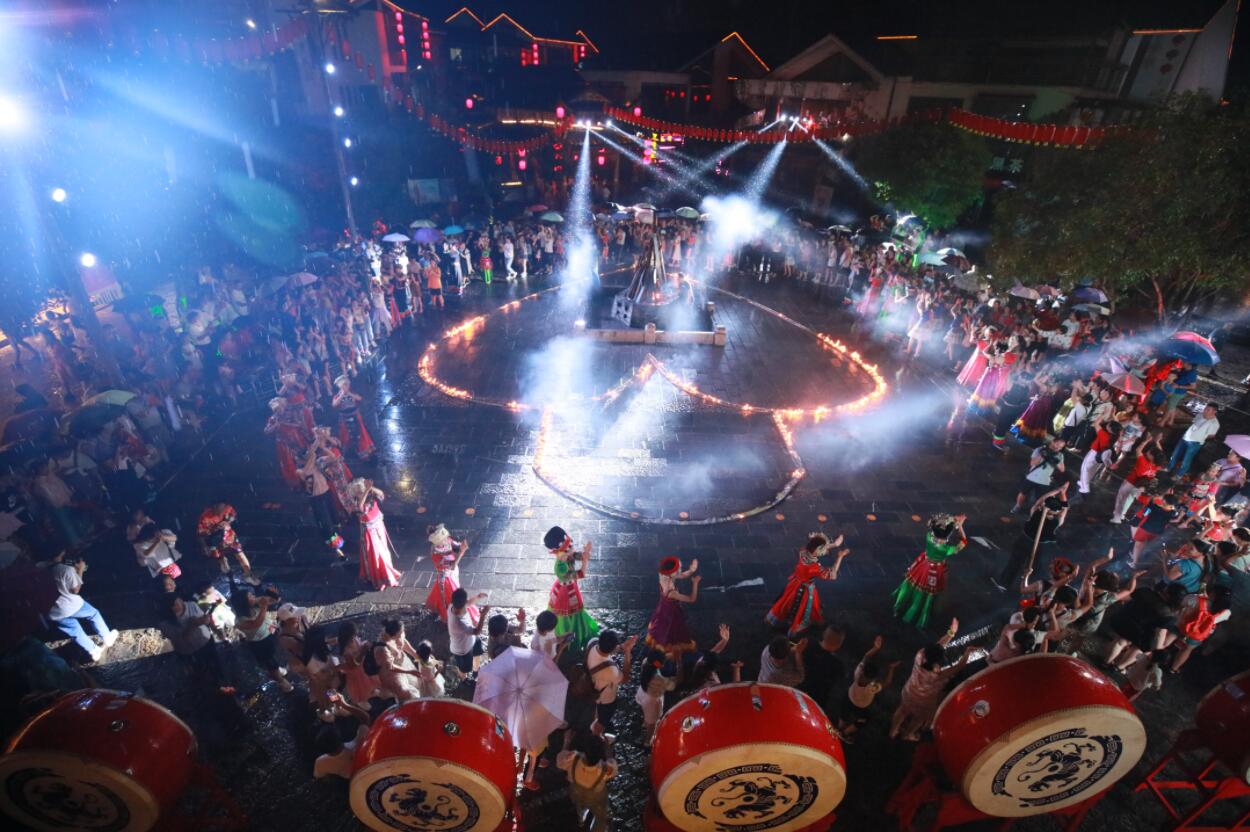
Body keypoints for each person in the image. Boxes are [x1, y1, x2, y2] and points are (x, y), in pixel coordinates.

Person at [890, 618, 973, 741]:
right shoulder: (936, 675)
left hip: (909, 692)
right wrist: (968, 652)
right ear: (937, 663)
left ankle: (893, 731)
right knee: (919, 719)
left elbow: (938, 645)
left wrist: (951, 633)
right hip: (923, 702)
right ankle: (908, 734)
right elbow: (959, 666)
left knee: (902, 709)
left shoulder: (920, 655)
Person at [766, 533, 851, 637]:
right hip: (805, 591)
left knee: (786, 602)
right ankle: (795, 628)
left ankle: (778, 619)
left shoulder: (803, 552)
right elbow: (832, 575)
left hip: (794, 584)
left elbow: (815, 549)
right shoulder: (814, 568)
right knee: (803, 609)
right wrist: (839, 557)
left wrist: (835, 544)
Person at [893, 514, 967, 628]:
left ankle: (899, 606)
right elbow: (964, 542)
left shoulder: (928, 537)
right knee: (926, 594)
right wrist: (960, 526)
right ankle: (918, 614)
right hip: (935, 571)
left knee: (911, 585)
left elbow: (932, 524)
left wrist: (951, 521)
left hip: (923, 564)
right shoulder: (946, 549)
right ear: (947, 536)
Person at [44, 552, 118, 663]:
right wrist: (80, 570)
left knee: (74, 630)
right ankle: (107, 637)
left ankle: (94, 651)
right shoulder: (65, 569)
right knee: (93, 614)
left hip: (52, 611)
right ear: (61, 552)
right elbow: (75, 589)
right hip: (70, 604)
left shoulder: (39, 568)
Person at [157, 593, 232, 693]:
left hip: (206, 640)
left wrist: (209, 624)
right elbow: (182, 640)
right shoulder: (164, 623)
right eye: (173, 605)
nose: (177, 606)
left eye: (177, 602)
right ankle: (210, 689)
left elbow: (205, 619)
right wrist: (192, 625)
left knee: (216, 662)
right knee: (201, 670)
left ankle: (224, 683)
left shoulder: (191, 605)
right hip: (190, 651)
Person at [543, 526, 600, 650]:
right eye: (568, 548)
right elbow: (580, 574)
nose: (572, 550)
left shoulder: (566, 556)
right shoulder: (560, 568)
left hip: (570, 588)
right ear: (559, 552)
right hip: (564, 594)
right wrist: (585, 560)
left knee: (575, 612)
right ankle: (568, 636)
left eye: (571, 546)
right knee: (567, 614)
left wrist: (585, 553)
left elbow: (576, 555)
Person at [837, 635, 899, 744]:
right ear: (873, 679)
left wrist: (876, 648)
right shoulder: (872, 687)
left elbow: (866, 657)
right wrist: (891, 668)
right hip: (861, 706)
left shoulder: (857, 673)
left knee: (844, 710)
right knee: (864, 719)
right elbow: (887, 682)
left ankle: (839, 728)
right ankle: (845, 733)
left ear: (862, 670)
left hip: (849, 697)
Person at [229, 586, 292, 693]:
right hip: (259, 644)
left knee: (273, 657)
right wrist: (264, 606)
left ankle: (277, 669)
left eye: (252, 594)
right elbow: (256, 623)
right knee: (270, 663)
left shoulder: (254, 604)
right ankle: (282, 682)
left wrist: (273, 594)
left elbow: (273, 600)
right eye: (250, 596)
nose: (253, 596)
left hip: (269, 635)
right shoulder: (240, 620)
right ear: (243, 603)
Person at [557, 729, 617, 832]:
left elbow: (560, 760)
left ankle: (581, 818)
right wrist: (608, 748)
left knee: (579, 805)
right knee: (600, 813)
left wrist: (567, 740)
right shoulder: (605, 768)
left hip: (577, 791)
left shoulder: (573, 757)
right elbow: (612, 766)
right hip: (597, 796)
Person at [347, 478, 402, 590]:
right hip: (370, 532)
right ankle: (379, 576)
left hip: (378, 526)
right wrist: (367, 490)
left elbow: (382, 495)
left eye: (361, 491)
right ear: (355, 493)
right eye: (358, 492)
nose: (361, 493)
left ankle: (385, 573)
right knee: (376, 554)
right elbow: (361, 508)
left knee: (384, 551)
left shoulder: (370, 495)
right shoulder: (355, 502)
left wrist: (371, 487)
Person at [586, 629, 638, 738]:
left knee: (596, 712)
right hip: (605, 699)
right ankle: (596, 737)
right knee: (602, 720)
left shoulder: (592, 642)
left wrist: (622, 647)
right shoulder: (610, 670)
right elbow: (625, 678)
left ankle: (594, 723)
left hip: (591, 686)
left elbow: (607, 650)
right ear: (613, 648)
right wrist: (627, 652)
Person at [645, 556, 700, 654]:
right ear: (672, 573)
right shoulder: (672, 593)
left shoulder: (663, 574)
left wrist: (691, 570)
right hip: (671, 613)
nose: (680, 569)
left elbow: (682, 575)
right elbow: (692, 599)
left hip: (663, 608)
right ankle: (669, 651)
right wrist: (695, 583)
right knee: (672, 632)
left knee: (661, 627)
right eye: (679, 568)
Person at [197, 502, 260, 585]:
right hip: (215, 541)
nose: (222, 510)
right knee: (222, 561)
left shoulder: (228, 508)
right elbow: (200, 534)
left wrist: (227, 521)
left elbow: (233, 516)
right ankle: (228, 574)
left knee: (240, 554)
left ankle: (248, 575)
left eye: (224, 507)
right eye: (220, 507)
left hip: (229, 537)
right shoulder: (205, 516)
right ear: (215, 506)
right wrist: (204, 546)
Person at [425, 523, 474, 623]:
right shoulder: (435, 554)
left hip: (452, 573)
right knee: (454, 597)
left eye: (444, 538)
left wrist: (462, 545)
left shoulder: (447, 540)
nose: (445, 540)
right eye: (442, 539)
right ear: (437, 542)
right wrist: (461, 552)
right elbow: (452, 566)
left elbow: (456, 545)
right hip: (446, 578)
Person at [799, 624, 846, 715]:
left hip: (797, 688)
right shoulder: (838, 665)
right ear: (839, 645)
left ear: (824, 634)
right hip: (817, 700)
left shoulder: (807, 643)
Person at [374, 618, 423, 703]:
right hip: (392, 673)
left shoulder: (394, 631)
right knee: (406, 694)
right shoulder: (381, 649)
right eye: (400, 633)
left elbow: (403, 643)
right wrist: (409, 672)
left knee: (416, 682)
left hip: (402, 663)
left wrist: (418, 657)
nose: (402, 635)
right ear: (393, 636)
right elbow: (390, 667)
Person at [635, 649, 677, 746]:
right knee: (652, 723)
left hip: (642, 692)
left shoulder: (646, 662)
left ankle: (645, 722)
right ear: (658, 664)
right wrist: (679, 666)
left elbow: (655, 660)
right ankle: (648, 741)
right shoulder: (658, 679)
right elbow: (672, 686)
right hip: (651, 700)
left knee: (646, 713)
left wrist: (667, 656)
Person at [1013, 439, 1066, 513]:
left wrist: (1055, 460)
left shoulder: (1060, 455)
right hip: (1031, 477)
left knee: (1040, 499)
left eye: (1060, 447)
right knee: (1023, 493)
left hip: (1044, 481)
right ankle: (1018, 506)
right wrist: (1042, 455)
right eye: (1057, 444)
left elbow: (1062, 470)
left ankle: (1034, 512)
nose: (1058, 448)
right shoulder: (1039, 449)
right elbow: (1032, 463)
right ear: (1052, 442)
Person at [1169, 404, 1220, 477]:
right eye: (1205, 408)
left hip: (1195, 443)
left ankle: (1179, 475)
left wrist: (1200, 436)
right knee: (1175, 454)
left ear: (1214, 412)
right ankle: (1169, 468)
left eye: (1208, 410)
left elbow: (1211, 435)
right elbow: (1193, 424)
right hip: (1185, 438)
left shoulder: (1215, 423)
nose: (1205, 411)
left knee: (1186, 460)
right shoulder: (1200, 415)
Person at [332, 375, 376, 460]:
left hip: (355, 416)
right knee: (345, 435)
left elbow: (359, 398)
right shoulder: (337, 395)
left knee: (361, 433)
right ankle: (346, 452)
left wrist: (349, 393)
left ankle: (364, 451)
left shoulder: (352, 392)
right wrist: (342, 395)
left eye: (348, 385)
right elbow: (334, 404)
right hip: (344, 418)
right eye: (346, 385)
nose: (348, 386)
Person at [448, 588, 490, 675]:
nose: (467, 601)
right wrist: (483, 615)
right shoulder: (459, 624)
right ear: (463, 604)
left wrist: (478, 597)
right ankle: (464, 679)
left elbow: (468, 603)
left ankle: (476, 670)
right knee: (464, 669)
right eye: (466, 600)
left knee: (477, 653)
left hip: (471, 640)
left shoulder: (452, 606)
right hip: (462, 650)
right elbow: (477, 631)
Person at [336, 620, 380, 705]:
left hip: (362, 668)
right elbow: (352, 665)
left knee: (373, 687)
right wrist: (362, 652)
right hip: (357, 674)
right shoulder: (346, 651)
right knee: (364, 694)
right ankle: (337, 706)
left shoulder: (353, 640)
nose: (354, 636)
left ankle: (337, 706)